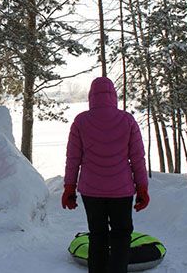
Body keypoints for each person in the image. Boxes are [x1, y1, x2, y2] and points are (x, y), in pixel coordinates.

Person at [62, 77, 149, 273]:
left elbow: (73, 158)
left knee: (97, 235)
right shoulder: (127, 120)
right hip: (122, 191)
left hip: (91, 192)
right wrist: (142, 188)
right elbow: (138, 158)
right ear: (114, 96)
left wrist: (69, 187)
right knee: (121, 235)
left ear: (91, 96)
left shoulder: (81, 121)